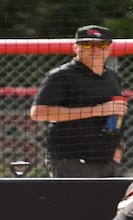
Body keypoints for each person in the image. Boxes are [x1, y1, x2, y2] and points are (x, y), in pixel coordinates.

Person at [30, 25, 127, 178]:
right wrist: (97, 110)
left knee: (107, 202)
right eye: (88, 45)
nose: (95, 49)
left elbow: (116, 115)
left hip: (107, 159)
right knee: (73, 202)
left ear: (109, 48)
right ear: (75, 47)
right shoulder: (61, 75)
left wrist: (118, 149)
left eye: (102, 45)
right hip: (71, 159)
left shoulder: (112, 77)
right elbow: (39, 113)